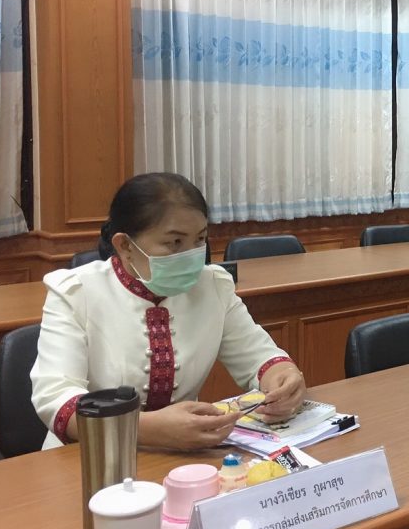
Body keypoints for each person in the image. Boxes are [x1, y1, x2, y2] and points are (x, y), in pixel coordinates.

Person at [31, 172, 306, 450]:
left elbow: (259, 355)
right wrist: (143, 428)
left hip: (186, 453)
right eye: (174, 243)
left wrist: (283, 377)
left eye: (200, 240)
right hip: (90, 454)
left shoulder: (213, 286)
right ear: (125, 245)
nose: (192, 255)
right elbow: (56, 399)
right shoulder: (75, 292)